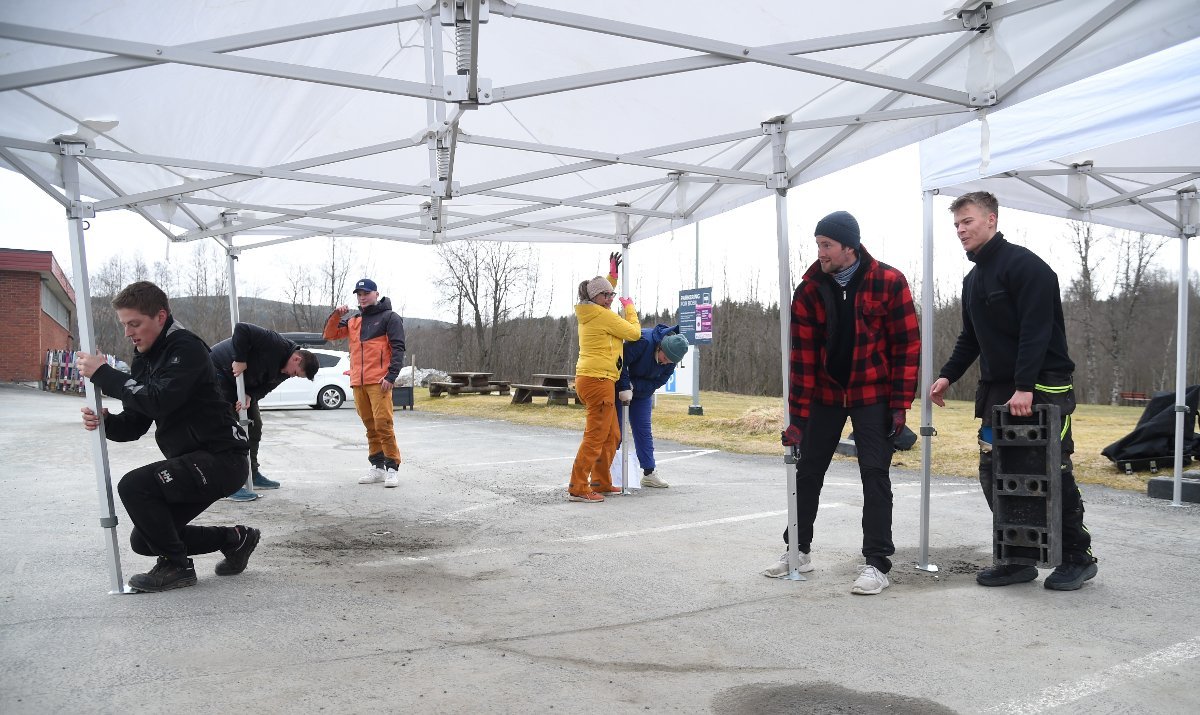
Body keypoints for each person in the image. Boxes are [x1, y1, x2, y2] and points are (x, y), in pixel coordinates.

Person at [929, 191, 1098, 591]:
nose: (960, 230)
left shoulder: (1028, 267)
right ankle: (1018, 557)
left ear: (991, 219)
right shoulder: (973, 279)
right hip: (998, 390)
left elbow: (1036, 331)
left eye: (967, 221)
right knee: (995, 471)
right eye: (956, 224)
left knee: (1050, 469)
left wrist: (1025, 387)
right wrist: (948, 375)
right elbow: (970, 337)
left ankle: (1078, 557)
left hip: (1042, 386)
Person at [763, 211, 920, 595]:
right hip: (826, 395)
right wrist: (798, 418)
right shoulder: (809, 290)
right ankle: (798, 550)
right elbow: (801, 359)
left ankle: (876, 564)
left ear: (849, 246)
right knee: (807, 472)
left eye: (827, 245)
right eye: (818, 244)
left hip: (873, 395)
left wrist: (899, 404)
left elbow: (907, 346)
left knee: (875, 474)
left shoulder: (889, 281)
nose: (820, 252)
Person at [76, 281, 260, 593]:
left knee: (134, 486)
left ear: (160, 317)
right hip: (193, 461)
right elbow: (135, 424)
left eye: (135, 324)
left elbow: (159, 400)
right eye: (124, 325)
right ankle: (235, 538)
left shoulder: (186, 348)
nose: (128, 333)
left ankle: (177, 567)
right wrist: (107, 423)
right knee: (145, 539)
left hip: (222, 459)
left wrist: (105, 374)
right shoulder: (145, 358)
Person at [210, 323, 320, 500]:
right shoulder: (274, 342)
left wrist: (250, 396)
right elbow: (242, 329)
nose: (292, 376)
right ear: (296, 359)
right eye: (295, 373)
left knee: (254, 425)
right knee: (227, 429)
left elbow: (266, 387)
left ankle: (252, 472)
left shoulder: (285, 371)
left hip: (242, 386)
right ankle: (227, 483)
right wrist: (240, 359)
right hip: (218, 371)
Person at [569, 254, 641, 502]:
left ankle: (600, 481)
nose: (610, 299)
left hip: (598, 379)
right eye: (606, 296)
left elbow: (600, 289)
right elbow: (633, 333)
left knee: (612, 435)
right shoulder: (603, 315)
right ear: (595, 298)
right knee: (595, 436)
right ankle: (578, 487)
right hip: (597, 380)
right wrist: (629, 308)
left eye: (612, 295)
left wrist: (612, 277)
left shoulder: (592, 310)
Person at [323, 278, 406, 488]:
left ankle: (392, 468)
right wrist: (336, 315)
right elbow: (329, 334)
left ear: (376, 294)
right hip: (358, 382)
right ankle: (377, 467)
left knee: (383, 424)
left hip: (379, 381)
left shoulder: (390, 317)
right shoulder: (354, 320)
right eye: (359, 294)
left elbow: (398, 348)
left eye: (366, 293)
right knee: (370, 426)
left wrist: (391, 376)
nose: (362, 297)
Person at [614, 325, 690, 488]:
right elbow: (620, 361)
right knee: (616, 431)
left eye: (670, 362)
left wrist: (634, 386)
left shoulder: (671, 361)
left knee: (643, 430)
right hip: (620, 387)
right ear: (660, 347)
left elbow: (657, 383)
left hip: (641, 393)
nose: (665, 363)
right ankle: (606, 470)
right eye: (665, 358)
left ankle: (649, 473)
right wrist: (625, 386)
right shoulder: (644, 341)